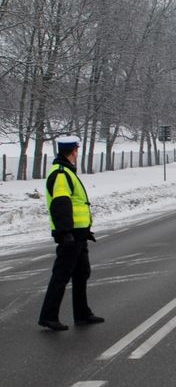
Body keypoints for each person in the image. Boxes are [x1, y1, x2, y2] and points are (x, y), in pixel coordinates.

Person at [38, 136, 104, 331]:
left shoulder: (67, 171)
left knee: (82, 272)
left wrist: (84, 231)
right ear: (73, 150)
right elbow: (61, 204)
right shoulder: (60, 174)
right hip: (70, 235)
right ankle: (48, 316)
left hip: (79, 233)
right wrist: (66, 232)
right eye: (77, 149)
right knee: (61, 274)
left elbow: (75, 205)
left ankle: (82, 314)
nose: (77, 152)